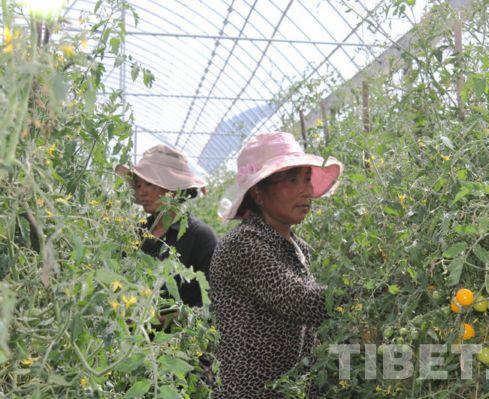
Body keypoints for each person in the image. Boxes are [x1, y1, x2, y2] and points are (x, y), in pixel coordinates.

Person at [210, 132, 343, 398]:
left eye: (307, 179)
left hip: (289, 388)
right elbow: (300, 301)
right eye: (292, 180)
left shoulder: (296, 245)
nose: (306, 190)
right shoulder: (244, 244)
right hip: (252, 391)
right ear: (258, 193)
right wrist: (371, 291)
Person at [116, 145, 217, 326]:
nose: (142, 191)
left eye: (150, 184)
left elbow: (214, 301)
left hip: (178, 346)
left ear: (173, 189)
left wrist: (172, 318)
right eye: (138, 185)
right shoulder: (136, 232)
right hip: (133, 342)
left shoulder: (199, 236)